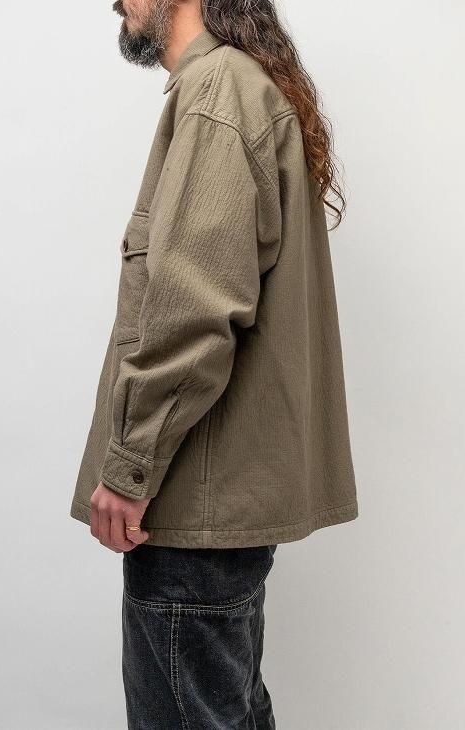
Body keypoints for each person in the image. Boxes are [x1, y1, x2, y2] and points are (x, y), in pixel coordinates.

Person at [69, 0, 358, 724]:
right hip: (212, 504)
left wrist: (128, 467)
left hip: (190, 505)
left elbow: (194, 313)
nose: (115, 2)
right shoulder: (234, 86)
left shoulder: (219, 93)